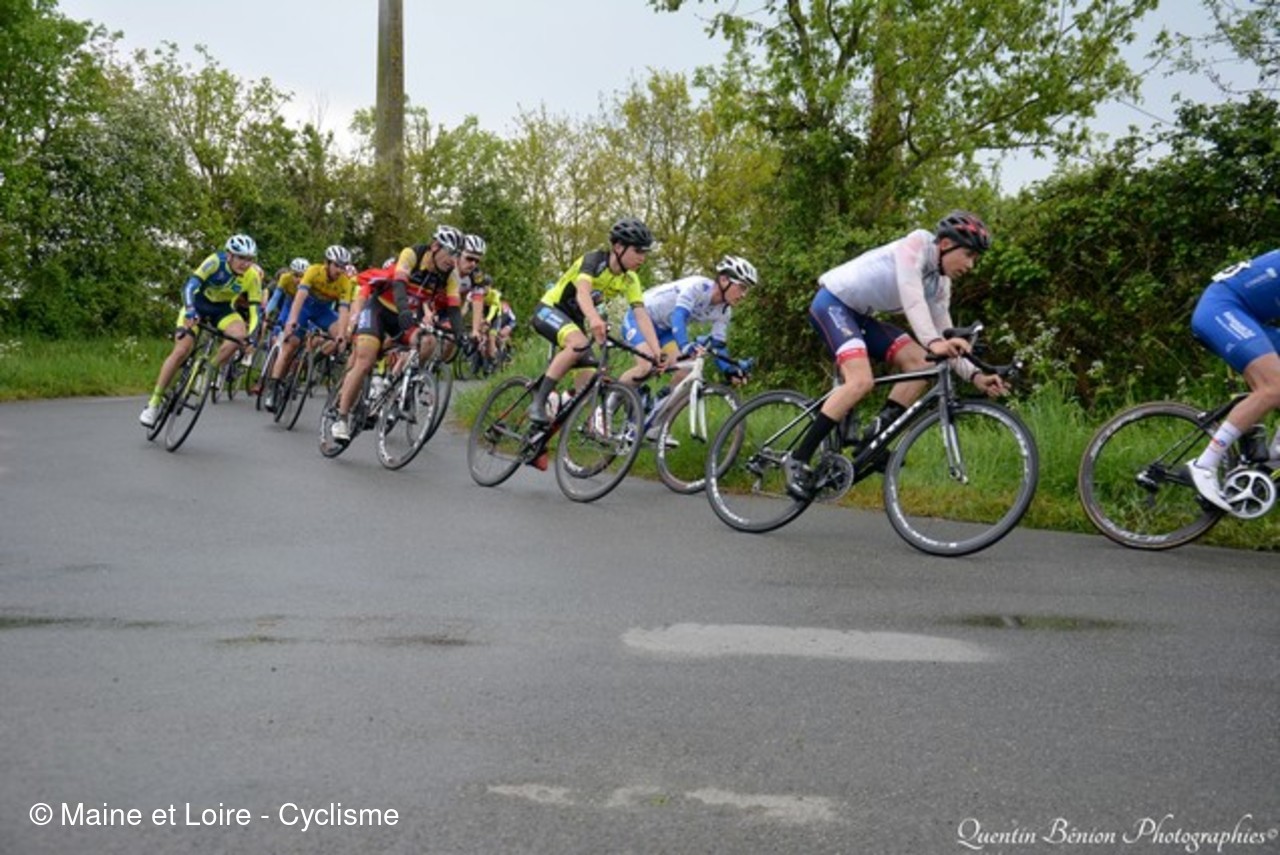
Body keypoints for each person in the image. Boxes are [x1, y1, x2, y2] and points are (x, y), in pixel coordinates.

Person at [782, 211, 1008, 500]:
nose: (971, 265)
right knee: (861, 381)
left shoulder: (940, 284)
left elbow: (946, 336)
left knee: (921, 363)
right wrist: (934, 342)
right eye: (969, 255)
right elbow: (912, 300)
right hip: (833, 303)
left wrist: (976, 375)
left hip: (861, 316)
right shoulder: (915, 246)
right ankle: (798, 459)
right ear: (945, 244)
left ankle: (874, 438)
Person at [330, 225, 464, 442]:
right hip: (380, 310)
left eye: (457, 255)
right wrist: (403, 310)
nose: (453, 260)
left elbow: (454, 309)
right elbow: (399, 285)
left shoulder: (451, 275)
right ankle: (341, 417)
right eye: (450, 253)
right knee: (365, 361)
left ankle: (401, 387)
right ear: (435, 246)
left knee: (428, 341)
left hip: (406, 317)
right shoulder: (412, 254)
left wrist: (461, 336)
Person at [528, 217, 667, 425]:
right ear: (618, 247)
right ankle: (538, 402)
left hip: (573, 321)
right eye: (638, 251)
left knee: (589, 381)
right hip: (549, 310)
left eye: (645, 252)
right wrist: (594, 319)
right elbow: (582, 292)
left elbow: (641, 315)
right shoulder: (593, 261)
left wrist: (656, 352)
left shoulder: (631, 279)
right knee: (579, 344)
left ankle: (556, 410)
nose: (642, 258)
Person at [1187, 248, 1280, 510]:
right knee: (1274, 387)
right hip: (1221, 309)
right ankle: (1204, 464)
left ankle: (1272, 459)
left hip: (1246, 317)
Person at [139, 234, 263, 427]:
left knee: (239, 335)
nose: (245, 264)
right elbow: (190, 285)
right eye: (241, 258)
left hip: (222, 310)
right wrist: (189, 309)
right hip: (197, 304)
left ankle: (207, 370)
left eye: (249, 259)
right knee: (181, 350)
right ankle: (153, 403)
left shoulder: (253, 276)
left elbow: (256, 311)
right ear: (229, 255)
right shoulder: (215, 262)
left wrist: (252, 337)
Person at [617, 254, 757, 390]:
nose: (744, 295)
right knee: (647, 366)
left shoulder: (724, 311)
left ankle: (661, 403)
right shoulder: (698, 287)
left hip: (666, 330)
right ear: (724, 280)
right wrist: (685, 346)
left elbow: (717, 345)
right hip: (640, 318)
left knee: (686, 369)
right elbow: (678, 316)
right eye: (742, 287)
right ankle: (610, 400)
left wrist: (729, 370)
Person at [262, 245, 354, 413]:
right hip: (304, 307)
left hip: (323, 311)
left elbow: (343, 309)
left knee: (343, 336)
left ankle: (311, 362)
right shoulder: (313, 271)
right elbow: (300, 297)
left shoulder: (345, 282)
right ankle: (273, 388)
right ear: (327, 263)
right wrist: (292, 320)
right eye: (337, 265)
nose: (340, 270)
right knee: (290, 344)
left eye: (343, 266)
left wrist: (341, 334)